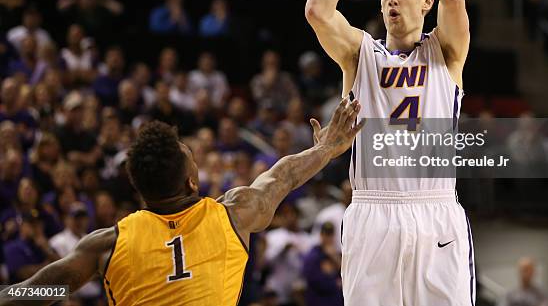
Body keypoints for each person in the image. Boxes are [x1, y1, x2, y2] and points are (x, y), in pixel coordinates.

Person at [0, 97, 364, 306]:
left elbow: (41, 290)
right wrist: (328, 147)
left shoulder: (106, 244)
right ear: (192, 180)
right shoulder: (233, 215)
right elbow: (283, 175)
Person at [305, 0, 471, 306]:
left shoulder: (447, 52)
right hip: (373, 209)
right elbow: (318, 11)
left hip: (435, 206)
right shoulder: (361, 54)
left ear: (426, 1)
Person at [302, 222, 343, 306]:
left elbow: (346, 275)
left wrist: (335, 259)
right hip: (319, 300)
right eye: (326, 234)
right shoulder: (313, 255)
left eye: (330, 235)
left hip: (336, 301)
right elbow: (313, 279)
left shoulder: (337, 254)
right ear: (321, 235)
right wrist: (335, 284)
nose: (328, 238)